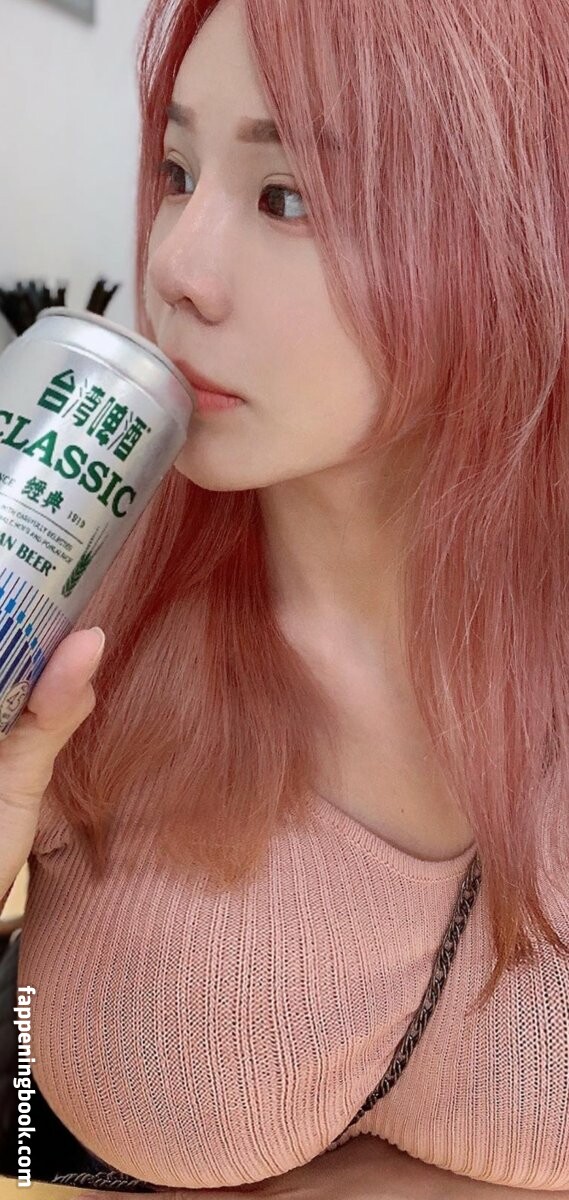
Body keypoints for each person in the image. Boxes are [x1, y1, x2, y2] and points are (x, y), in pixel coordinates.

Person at [0, 0, 568, 1192]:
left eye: (288, 196)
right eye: (175, 173)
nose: (176, 268)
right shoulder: (70, 612)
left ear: (512, 234)